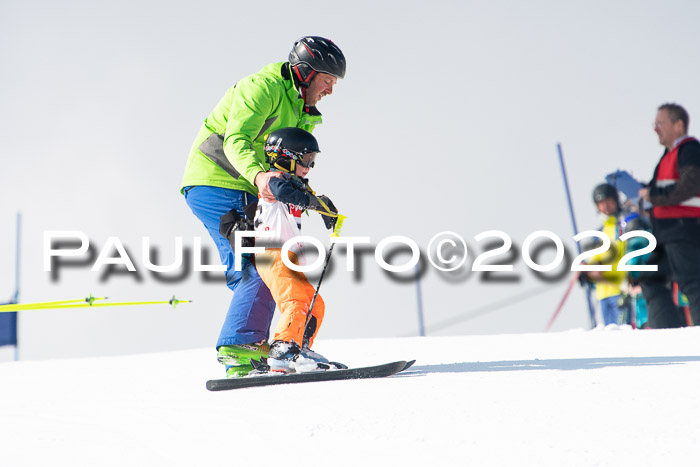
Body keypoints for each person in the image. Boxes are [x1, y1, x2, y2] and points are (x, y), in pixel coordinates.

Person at [180, 37, 346, 377]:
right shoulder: (262, 87)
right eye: (327, 80)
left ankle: (274, 347)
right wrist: (259, 179)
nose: (330, 89)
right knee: (261, 261)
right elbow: (237, 140)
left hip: (252, 186)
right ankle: (241, 347)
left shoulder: (304, 111)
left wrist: (311, 198)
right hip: (218, 180)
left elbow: (288, 163)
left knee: (267, 262)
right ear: (305, 72)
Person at [252, 127, 341, 373]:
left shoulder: (292, 184)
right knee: (295, 300)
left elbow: (302, 195)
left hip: (288, 257)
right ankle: (282, 350)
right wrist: (313, 201)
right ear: (285, 156)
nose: (308, 167)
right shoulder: (272, 181)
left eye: (312, 161)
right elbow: (285, 193)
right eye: (305, 160)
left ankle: (299, 348)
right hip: (273, 254)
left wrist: (325, 209)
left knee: (315, 304)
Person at [639, 103, 700, 327]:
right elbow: (660, 191)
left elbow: (690, 184)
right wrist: (642, 193)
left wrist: (652, 195)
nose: (656, 129)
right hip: (666, 234)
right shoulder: (667, 155)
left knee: (692, 282)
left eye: (660, 123)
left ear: (678, 125)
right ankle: (668, 333)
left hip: (684, 229)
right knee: (649, 277)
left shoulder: (689, 150)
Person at [581, 183, 627, 325]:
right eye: (601, 203)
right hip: (602, 295)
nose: (605, 206)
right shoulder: (599, 233)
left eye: (608, 201)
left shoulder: (623, 226)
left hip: (621, 291)